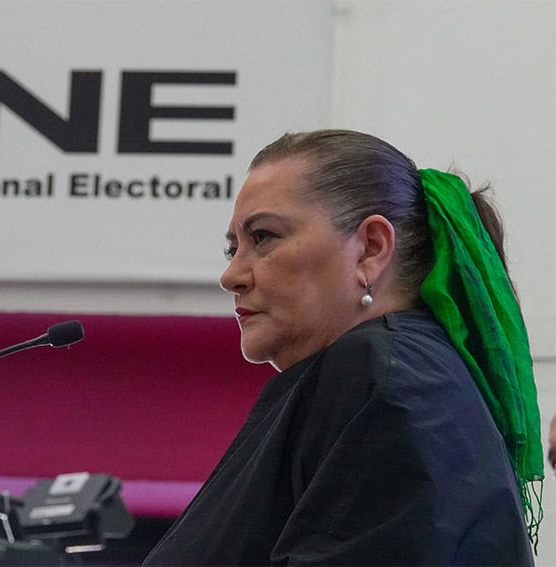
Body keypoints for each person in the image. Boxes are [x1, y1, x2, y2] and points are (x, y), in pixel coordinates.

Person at [142, 129, 542, 566]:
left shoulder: (387, 378)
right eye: (232, 248)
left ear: (371, 248)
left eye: (263, 237)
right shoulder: (392, 373)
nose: (231, 275)